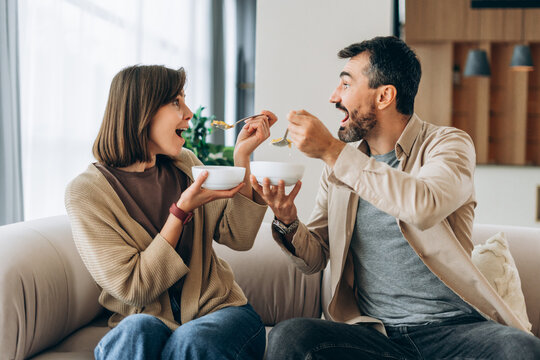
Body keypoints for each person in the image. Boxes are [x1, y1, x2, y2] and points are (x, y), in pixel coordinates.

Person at [251, 36, 540, 359]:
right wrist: (287, 220)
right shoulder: (339, 168)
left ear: (385, 95)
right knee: (291, 336)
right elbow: (316, 256)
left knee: (521, 349)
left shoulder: (448, 145)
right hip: (379, 336)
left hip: (456, 332)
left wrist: (333, 152)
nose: (334, 97)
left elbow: (423, 204)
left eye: (345, 85)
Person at [65, 65, 275, 360]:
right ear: (143, 111)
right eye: (176, 102)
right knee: (136, 331)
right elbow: (135, 287)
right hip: (145, 321)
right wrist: (180, 213)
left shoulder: (185, 164)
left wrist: (242, 157)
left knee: (192, 340)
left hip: (221, 314)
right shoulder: (87, 192)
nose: (188, 113)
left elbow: (238, 236)